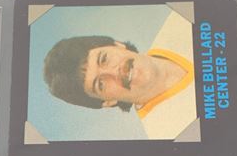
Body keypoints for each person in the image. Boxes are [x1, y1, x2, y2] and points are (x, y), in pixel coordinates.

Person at [43, 10, 197, 139]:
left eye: (103, 59)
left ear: (118, 45)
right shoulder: (171, 135)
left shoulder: (183, 21)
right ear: (108, 102)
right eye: (100, 84)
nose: (114, 72)